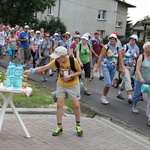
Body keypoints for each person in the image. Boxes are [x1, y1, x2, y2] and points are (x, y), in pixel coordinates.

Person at [24, 46, 83, 136]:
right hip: (61, 84)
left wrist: (71, 76)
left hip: (73, 85)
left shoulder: (72, 60)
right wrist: (32, 70)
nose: (56, 59)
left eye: (58, 57)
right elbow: (44, 67)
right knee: (59, 105)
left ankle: (78, 125)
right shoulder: (56, 61)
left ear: (63, 56)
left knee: (76, 105)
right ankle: (59, 127)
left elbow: (79, 72)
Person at [93, 34, 119, 105]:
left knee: (109, 84)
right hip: (105, 66)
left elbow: (119, 58)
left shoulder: (117, 48)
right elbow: (100, 57)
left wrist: (121, 67)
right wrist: (96, 67)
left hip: (113, 67)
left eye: (113, 39)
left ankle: (104, 96)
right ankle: (103, 97)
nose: (112, 40)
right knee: (108, 83)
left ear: (116, 40)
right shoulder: (106, 47)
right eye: (110, 39)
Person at [131, 42, 150, 126]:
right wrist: (141, 78)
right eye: (149, 48)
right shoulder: (141, 57)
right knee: (137, 93)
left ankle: (148, 113)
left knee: (149, 97)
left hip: (148, 80)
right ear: (145, 49)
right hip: (139, 79)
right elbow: (137, 69)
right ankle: (134, 105)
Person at [117, 35, 139, 104]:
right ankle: (129, 96)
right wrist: (121, 67)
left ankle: (119, 92)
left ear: (136, 41)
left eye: (133, 39)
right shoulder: (125, 46)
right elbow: (120, 56)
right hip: (125, 66)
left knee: (125, 80)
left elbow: (137, 58)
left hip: (132, 67)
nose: (132, 40)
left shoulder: (137, 49)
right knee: (128, 80)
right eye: (131, 39)